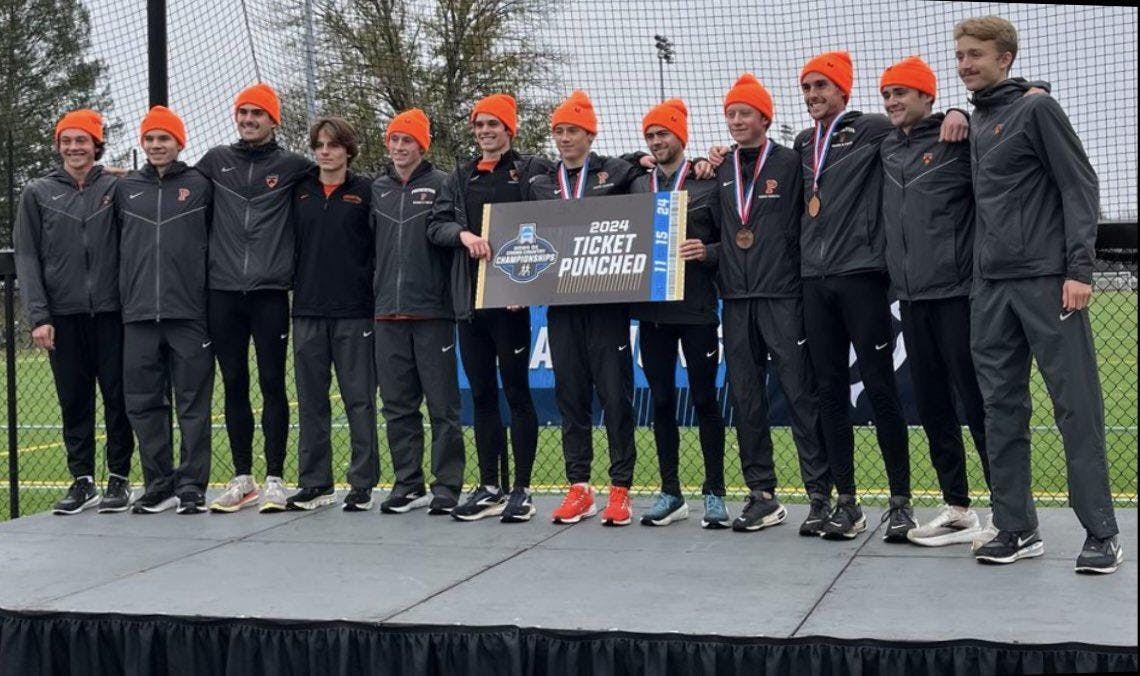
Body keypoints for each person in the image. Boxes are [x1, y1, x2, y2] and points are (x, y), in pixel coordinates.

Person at [956, 16, 1123, 574]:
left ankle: (1102, 533)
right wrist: (956, 113)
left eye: (975, 54)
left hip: (1048, 282)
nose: (964, 64)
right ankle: (1016, 528)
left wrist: (1080, 269)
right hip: (990, 289)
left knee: (1076, 407)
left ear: (1005, 58)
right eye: (959, 55)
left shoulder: (1038, 109)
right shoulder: (978, 121)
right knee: (1000, 410)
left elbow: (1080, 185)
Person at [792, 52, 967, 541]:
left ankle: (900, 503)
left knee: (879, 388)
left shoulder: (871, 128)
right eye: (806, 87)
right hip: (814, 279)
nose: (812, 95)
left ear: (843, 90)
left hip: (863, 276)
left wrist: (958, 113)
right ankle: (845, 502)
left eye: (821, 86)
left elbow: (921, 125)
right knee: (827, 390)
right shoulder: (803, 142)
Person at [698, 75, 834, 535]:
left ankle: (820, 495)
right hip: (735, 300)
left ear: (764, 118)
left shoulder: (792, 163)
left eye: (744, 113)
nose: (736, 121)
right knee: (746, 400)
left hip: (783, 296)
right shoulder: (718, 169)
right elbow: (721, 238)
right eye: (731, 114)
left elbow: (806, 225)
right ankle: (762, 495)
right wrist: (709, 253)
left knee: (799, 394)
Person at [877, 56, 990, 546]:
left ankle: (1011, 511)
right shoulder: (883, 146)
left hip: (958, 295)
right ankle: (958, 508)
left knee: (979, 404)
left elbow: (1015, 113)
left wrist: (963, 113)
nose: (893, 102)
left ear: (928, 96)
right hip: (911, 299)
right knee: (933, 406)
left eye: (902, 92)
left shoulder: (959, 136)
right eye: (886, 95)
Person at [428, 94, 548, 523]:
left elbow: (573, 188)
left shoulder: (531, 168)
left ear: (509, 129)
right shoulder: (459, 176)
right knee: (480, 395)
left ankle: (522, 489)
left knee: (516, 392)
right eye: (479, 124)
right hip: (470, 304)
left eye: (493, 124)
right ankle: (490, 486)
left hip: (511, 303)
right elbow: (436, 225)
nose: (484, 131)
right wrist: (462, 235)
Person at [525, 91, 641, 526]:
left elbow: (644, 179)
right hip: (562, 307)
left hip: (607, 305)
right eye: (558, 131)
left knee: (615, 397)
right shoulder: (539, 181)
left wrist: (642, 159)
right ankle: (579, 487)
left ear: (591, 134)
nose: (564, 138)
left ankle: (620, 488)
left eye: (573, 130)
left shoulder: (618, 172)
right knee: (570, 397)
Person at [197, 83, 312, 514]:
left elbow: (337, 176)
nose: (248, 120)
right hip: (223, 292)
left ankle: (276, 479)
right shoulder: (215, 162)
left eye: (256, 114)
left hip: (268, 294)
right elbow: (173, 184)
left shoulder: (293, 166)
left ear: (272, 119)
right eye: (242, 113)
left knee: (271, 384)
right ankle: (242, 477)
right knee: (233, 384)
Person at [14, 109, 134, 515]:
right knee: (73, 401)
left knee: (119, 398)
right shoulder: (37, 193)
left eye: (82, 140)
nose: (73, 147)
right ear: (58, 146)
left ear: (96, 145)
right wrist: (38, 316)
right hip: (62, 316)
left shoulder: (117, 189)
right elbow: (27, 257)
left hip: (113, 314)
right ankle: (82, 480)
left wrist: (116, 173)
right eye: (66, 141)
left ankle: (119, 478)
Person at [627, 98, 728, 528]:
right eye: (650, 135)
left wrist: (707, 251)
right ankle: (671, 492)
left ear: (680, 137)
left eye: (662, 133)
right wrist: (636, 159)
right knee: (662, 401)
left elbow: (737, 239)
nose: (656, 141)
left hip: (698, 309)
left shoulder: (708, 181)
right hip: (652, 313)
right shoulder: (636, 184)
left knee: (705, 400)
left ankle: (715, 493)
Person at [116, 106, 215, 515]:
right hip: (137, 314)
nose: (157, 145)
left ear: (179, 142)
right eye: (150, 139)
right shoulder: (123, 189)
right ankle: (158, 484)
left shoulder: (201, 185)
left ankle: (192, 484)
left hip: (189, 314)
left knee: (193, 402)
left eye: (164, 139)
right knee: (143, 404)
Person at [372, 109, 466, 516]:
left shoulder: (444, 184)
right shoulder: (376, 188)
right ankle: (407, 483)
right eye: (393, 140)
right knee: (397, 406)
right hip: (385, 314)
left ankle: (446, 486)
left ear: (422, 145)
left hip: (432, 314)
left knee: (443, 406)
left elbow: (451, 233)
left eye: (406, 140)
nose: (398, 148)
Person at [285, 117, 379, 512]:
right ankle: (315, 483)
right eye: (319, 145)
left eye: (333, 145)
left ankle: (362, 484)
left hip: (355, 312)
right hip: (306, 310)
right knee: (311, 401)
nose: (325, 151)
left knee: (359, 400)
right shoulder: (300, 191)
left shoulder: (367, 191)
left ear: (347, 150)